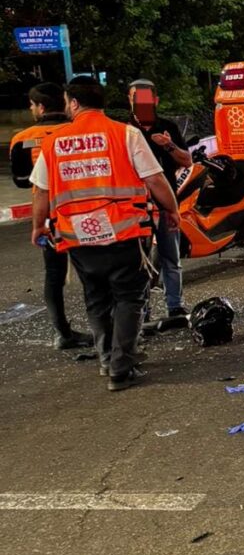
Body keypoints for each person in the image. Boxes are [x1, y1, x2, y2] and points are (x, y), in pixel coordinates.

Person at [29, 78, 181, 392]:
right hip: (124, 231)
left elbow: (41, 191)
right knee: (129, 297)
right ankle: (121, 367)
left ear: (73, 103)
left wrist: (38, 225)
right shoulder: (125, 134)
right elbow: (155, 179)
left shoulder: (54, 143)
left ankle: (107, 359)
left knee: (96, 298)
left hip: (77, 235)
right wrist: (172, 209)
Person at [10, 82, 91, 350]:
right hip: (84, 210)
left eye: (32, 105)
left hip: (48, 217)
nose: (30, 109)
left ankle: (63, 332)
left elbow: (22, 180)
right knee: (92, 273)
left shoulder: (23, 138)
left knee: (54, 275)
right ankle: (105, 329)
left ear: (41, 107)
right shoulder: (80, 132)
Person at [127, 79, 190, 321]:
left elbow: (187, 161)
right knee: (139, 263)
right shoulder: (124, 131)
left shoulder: (167, 127)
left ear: (155, 100)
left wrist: (169, 145)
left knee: (171, 258)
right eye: (135, 98)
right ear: (129, 100)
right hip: (136, 209)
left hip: (165, 204)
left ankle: (175, 306)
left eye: (144, 98)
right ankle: (142, 313)